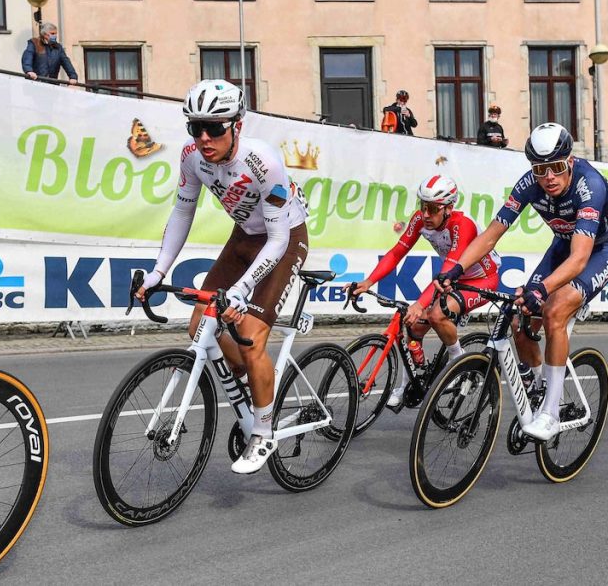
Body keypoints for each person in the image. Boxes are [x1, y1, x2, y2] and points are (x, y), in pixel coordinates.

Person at [135, 79, 308, 475]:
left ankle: (263, 432)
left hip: (283, 239)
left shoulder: (263, 161)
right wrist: (158, 271)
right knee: (199, 324)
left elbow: (279, 237)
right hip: (244, 237)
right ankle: (252, 386)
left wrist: (242, 291)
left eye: (215, 127)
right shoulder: (191, 157)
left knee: (249, 337)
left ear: (238, 125)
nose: (204, 137)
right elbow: (182, 213)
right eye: (195, 127)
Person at [436, 122, 608, 442]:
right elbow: (491, 235)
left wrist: (543, 288)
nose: (548, 177)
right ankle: (540, 386)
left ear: (568, 161)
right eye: (540, 169)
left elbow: (580, 259)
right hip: (564, 245)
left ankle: (551, 414)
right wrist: (454, 270)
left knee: (554, 311)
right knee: (519, 314)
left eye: (555, 167)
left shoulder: (589, 185)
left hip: (603, 249)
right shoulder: (529, 184)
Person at [345, 175, 500, 408]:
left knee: (437, 314)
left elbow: (447, 270)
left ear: (448, 208)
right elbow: (397, 252)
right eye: (422, 206)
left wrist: (419, 304)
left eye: (432, 208)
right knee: (413, 326)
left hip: (481, 279)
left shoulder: (462, 225)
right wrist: (369, 281)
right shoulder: (421, 219)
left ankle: (457, 362)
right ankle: (408, 384)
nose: (425, 214)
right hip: (451, 279)